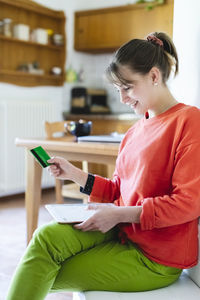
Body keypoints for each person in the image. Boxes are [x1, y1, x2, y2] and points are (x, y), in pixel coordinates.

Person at [7, 32, 200, 300]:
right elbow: (119, 190)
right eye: (117, 89)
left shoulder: (188, 121)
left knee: (43, 270)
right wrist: (74, 174)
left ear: (154, 76)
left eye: (128, 87)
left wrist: (119, 215)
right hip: (122, 232)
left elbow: (188, 203)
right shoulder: (134, 132)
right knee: (45, 238)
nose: (122, 98)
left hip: (156, 258)